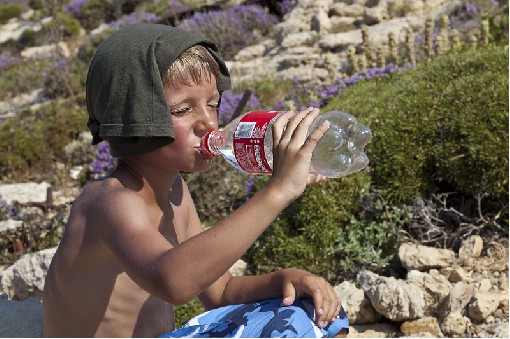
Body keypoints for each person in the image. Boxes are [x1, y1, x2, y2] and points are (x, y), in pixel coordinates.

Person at [42, 23, 349, 338]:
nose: (209, 122)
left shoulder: (175, 191)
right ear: (137, 120)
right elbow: (173, 282)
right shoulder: (110, 202)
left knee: (315, 313)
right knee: (296, 329)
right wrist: (278, 192)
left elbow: (220, 291)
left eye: (213, 104)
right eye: (183, 109)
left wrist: (284, 279)